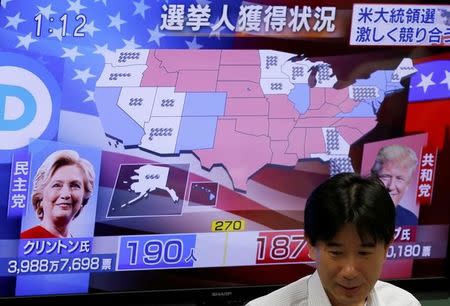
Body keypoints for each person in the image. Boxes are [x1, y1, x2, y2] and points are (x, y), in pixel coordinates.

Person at [246, 173, 420, 306]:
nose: (350, 272)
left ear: (386, 248)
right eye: (336, 252)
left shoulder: (404, 303)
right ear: (311, 245)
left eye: (364, 252)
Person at [20, 150, 95, 239]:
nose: (66, 194)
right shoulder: (25, 240)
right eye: (56, 185)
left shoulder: (78, 246)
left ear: (83, 199)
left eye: (75, 185)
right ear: (40, 199)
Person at [370, 144, 419, 226]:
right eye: (385, 177)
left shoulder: (410, 220)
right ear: (373, 178)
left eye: (399, 179)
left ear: (407, 184)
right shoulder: (356, 213)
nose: (391, 186)